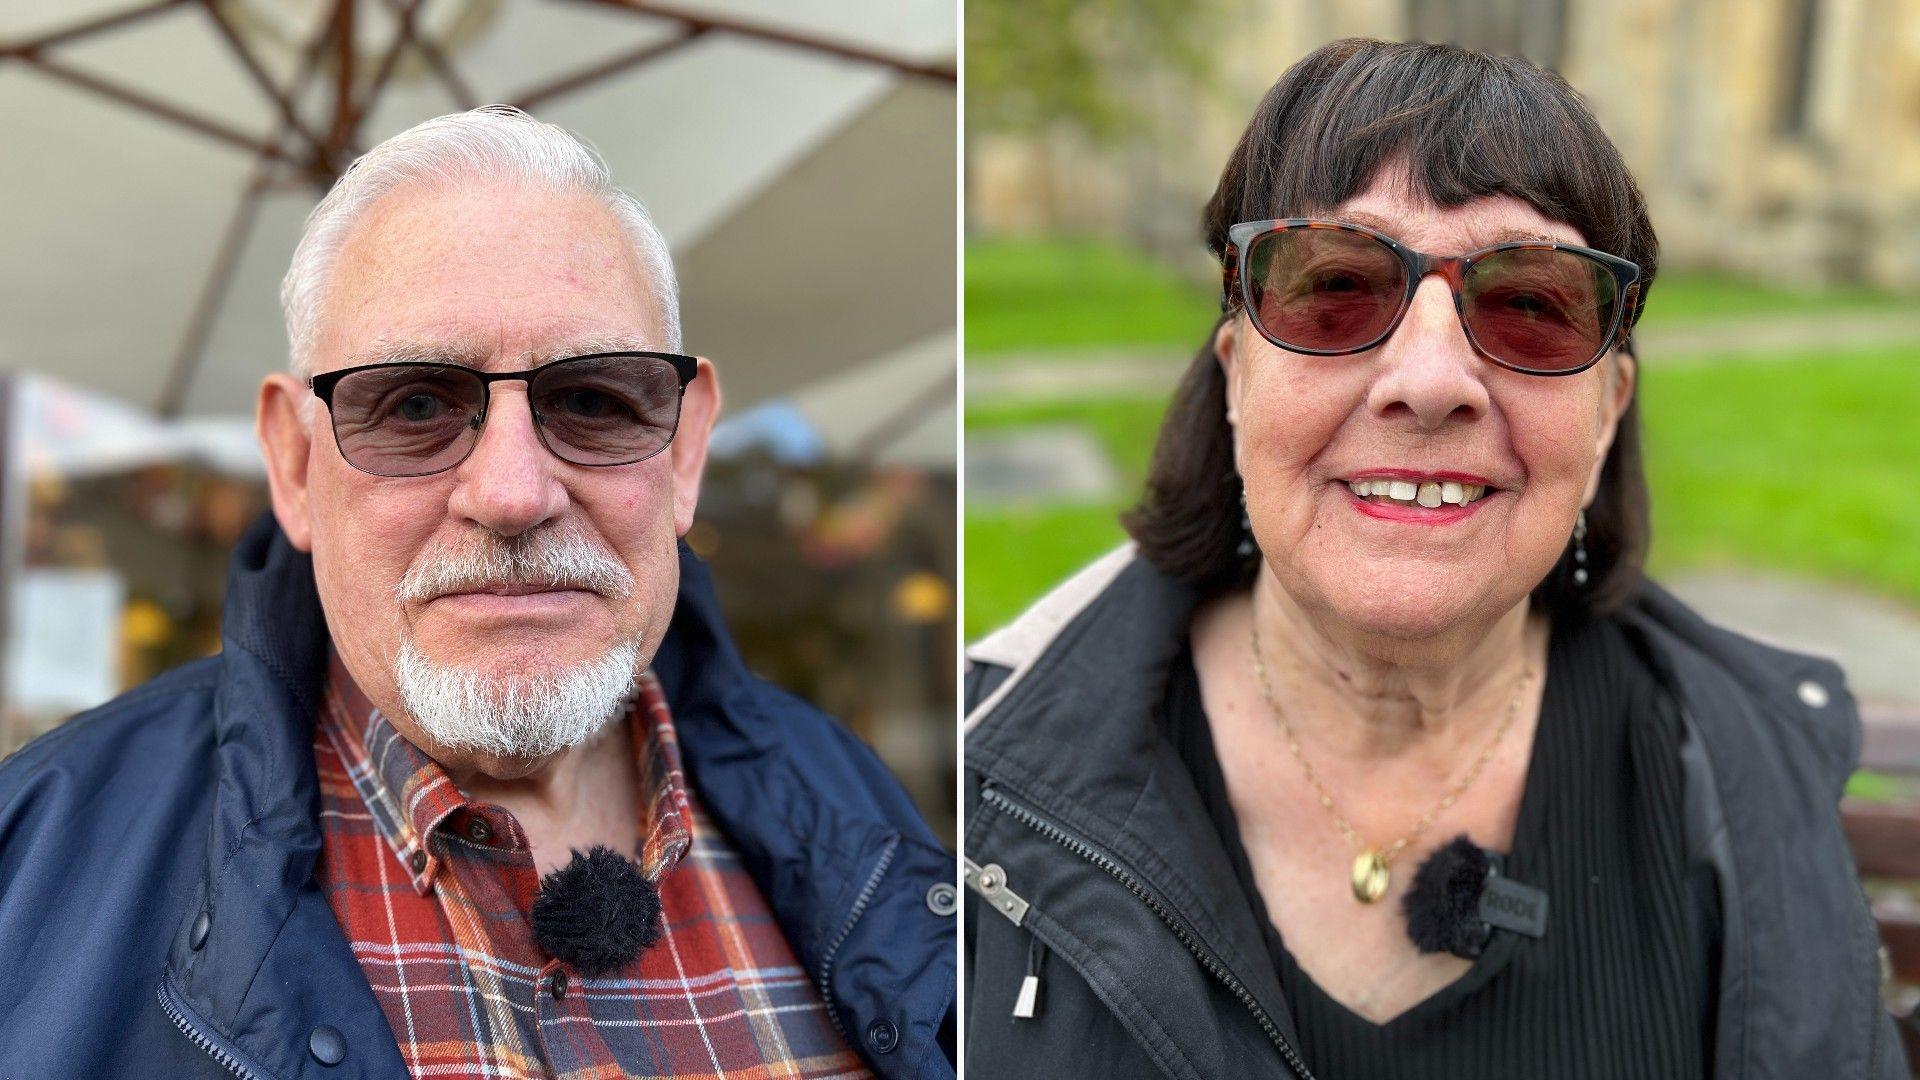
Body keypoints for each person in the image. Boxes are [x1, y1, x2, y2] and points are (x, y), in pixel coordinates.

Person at [962, 39, 1901, 1079]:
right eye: (1339, 287)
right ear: (1235, 379)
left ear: (1606, 418)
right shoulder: (979, 770)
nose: (1429, 379)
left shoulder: (1737, 772)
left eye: (1530, 305)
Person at [0, 107, 954, 1079]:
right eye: (415, 405)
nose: (511, 494)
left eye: (592, 401)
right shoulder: (34, 876)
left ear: (688, 449)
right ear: (293, 462)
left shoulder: (859, 815)